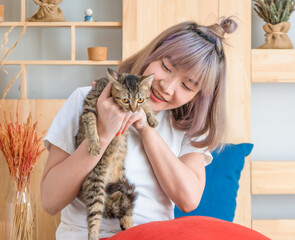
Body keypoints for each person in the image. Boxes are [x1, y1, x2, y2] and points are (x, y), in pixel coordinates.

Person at [41, 16, 237, 239]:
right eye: (166, 67)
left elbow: (188, 199)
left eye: (187, 86)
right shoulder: (84, 100)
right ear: (152, 54)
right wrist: (104, 134)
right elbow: (50, 201)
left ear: (198, 97)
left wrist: (145, 128)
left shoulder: (188, 127)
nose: (167, 86)